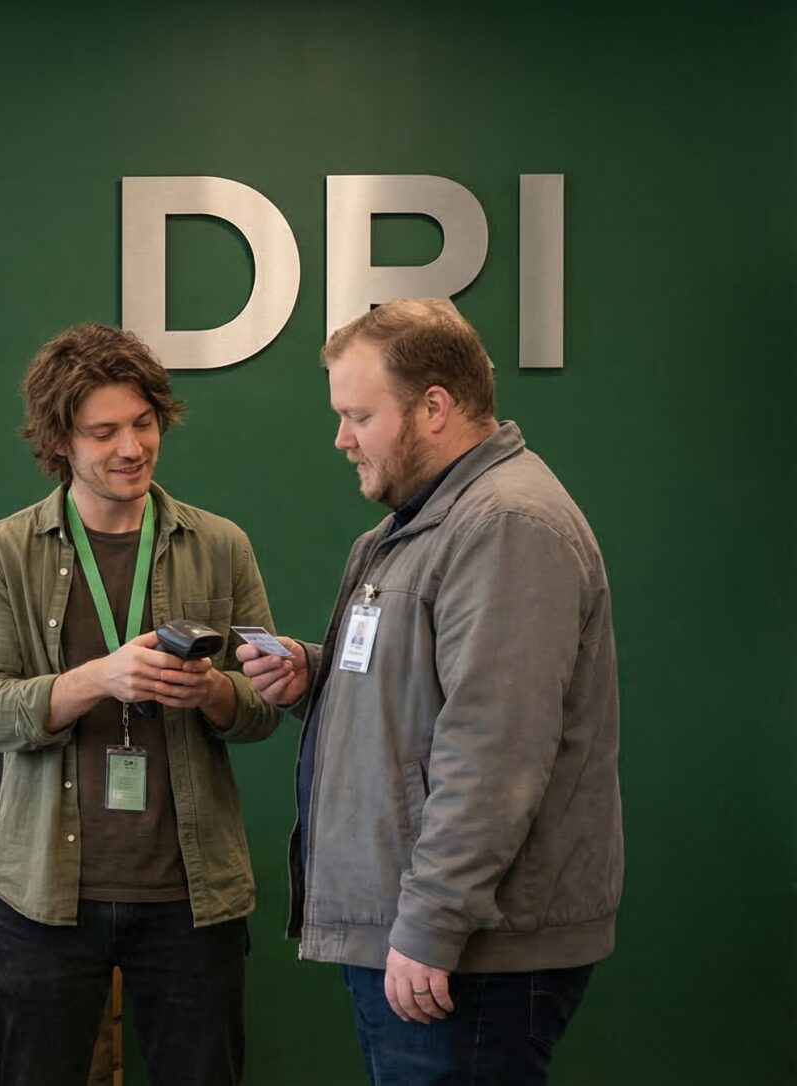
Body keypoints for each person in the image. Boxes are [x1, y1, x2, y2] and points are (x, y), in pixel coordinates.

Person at [238, 299, 621, 1085]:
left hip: (465, 952)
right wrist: (316, 676)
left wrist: (431, 924)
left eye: (359, 416)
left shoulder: (507, 525)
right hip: (422, 936)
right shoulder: (420, 527)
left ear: (435, 407)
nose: (342, 439)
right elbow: (431, 689)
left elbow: (494, 748)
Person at [0, 323, 285, 1086]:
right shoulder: (3, 552)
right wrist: (99, 679)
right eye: (103, 433)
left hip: (191, 896)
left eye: (143, 424)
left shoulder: (221, 545)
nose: (132, 448)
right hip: (44, 894)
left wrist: (213, 692)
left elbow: (264, 708)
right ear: (59, 441)